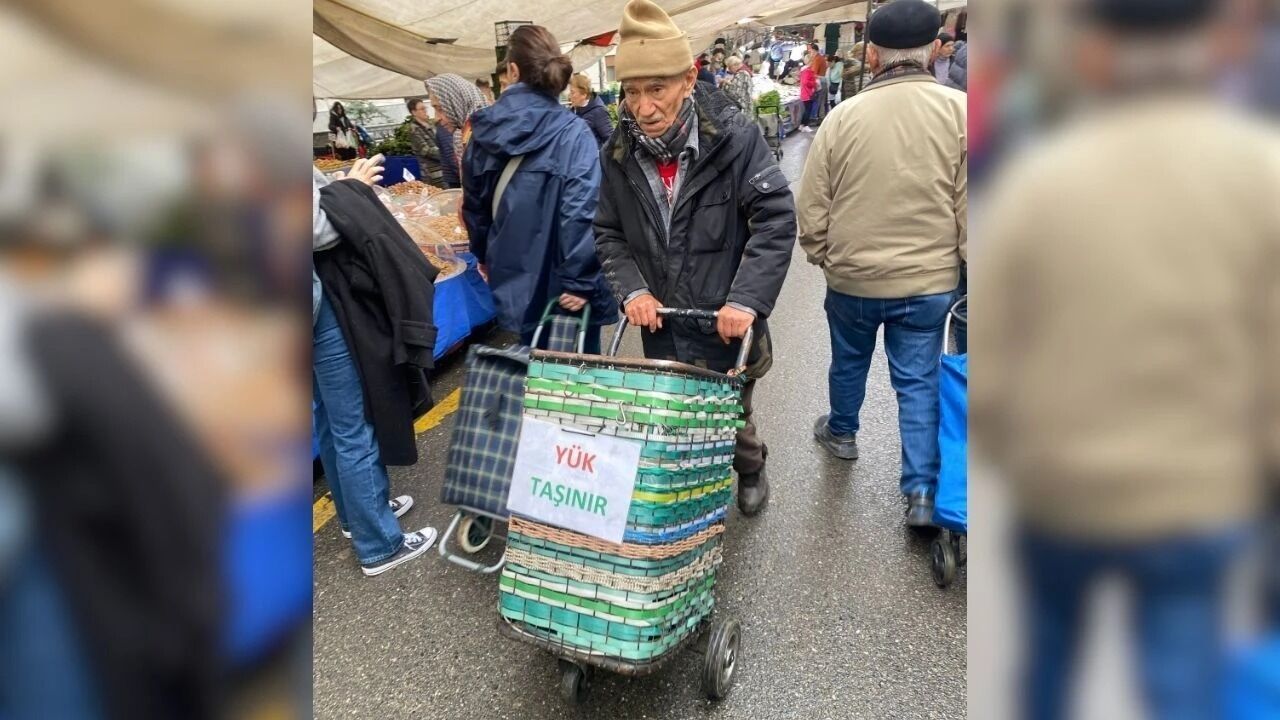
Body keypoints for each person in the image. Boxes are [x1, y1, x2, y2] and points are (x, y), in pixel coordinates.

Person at [971, 1, 1280, 717]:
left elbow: (997, 345)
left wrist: (1008, 449)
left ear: (1095, 54)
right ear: (1217, 48)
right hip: (1200, 495)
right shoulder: (1263, 173)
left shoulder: (1040, 179)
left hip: (1060, 485)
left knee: (1047, 667)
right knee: (1180, 684)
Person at [594, 0, 796, 517]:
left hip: (725, 325)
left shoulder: (736, 140)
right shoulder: (617, 154)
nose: (643, 108)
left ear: (688, 80)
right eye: (632, 92)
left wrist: (745, 300)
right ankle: (690, 503)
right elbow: (608, 231)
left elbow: (775, 220)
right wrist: (633, 290)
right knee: (676, 419)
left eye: (656, 89)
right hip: (664, 325)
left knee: (728, 418)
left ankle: (750, 465)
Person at [797, 0, 966, 528]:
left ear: (872, 55)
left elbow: (812, 203)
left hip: (853, 278)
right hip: (929, 281)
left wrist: (823, 254)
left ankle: (842, 432)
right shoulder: (963, 112)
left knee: (848, 360)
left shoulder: (842, 118)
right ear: (934, 49)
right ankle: (921, 494)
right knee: (918, 380)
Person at [313, 154, 438, 576]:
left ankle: (357, 515)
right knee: (354, 423)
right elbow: (316, 230)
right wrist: (352, 188)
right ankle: (380, 544)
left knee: (330, 418)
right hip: (317, 308)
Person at [461, 25, 619, 352]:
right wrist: (580, 279)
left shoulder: (482, 132)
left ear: (512, 70)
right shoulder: (573, 133)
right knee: (576, 373)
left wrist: (484, 255)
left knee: (531, 361)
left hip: (513, 274)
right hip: (566, 286)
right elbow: (583, 209)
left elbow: (474, 208)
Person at [425, 73, 489, 176]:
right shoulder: (462, 135)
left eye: (440, 109)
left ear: (457, 103)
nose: (436, 118)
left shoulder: (485, 134)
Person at [404, 97, 445, 187]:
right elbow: (425, 150)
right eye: (422, 109)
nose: (425, 111)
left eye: (425, 108)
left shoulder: (429, 125)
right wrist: (446, 154)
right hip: (432, 174)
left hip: (443, 169)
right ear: (414, 112)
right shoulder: (414, 129)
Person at [569, 73, 614, 147]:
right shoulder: (572, 111)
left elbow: (610, 141)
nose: (569, 96)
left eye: (572, 92)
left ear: (584, 94)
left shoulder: (598, 112)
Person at [436, 120, 460, 188]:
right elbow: (451, 154)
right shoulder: (445, 126)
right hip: (455, 176)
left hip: (457, 174)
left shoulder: (454, 124)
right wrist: (463, 175)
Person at [798, 56, 820, 129]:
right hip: (808, 93)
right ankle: (805, 126)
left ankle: (802, 125)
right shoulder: (807, 70)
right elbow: (806, 82)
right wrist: (814, 83)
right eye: (812, 61)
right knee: (808, 110)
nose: (812, 63)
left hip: (805, 92)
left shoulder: (803, 70)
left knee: (807, 109)